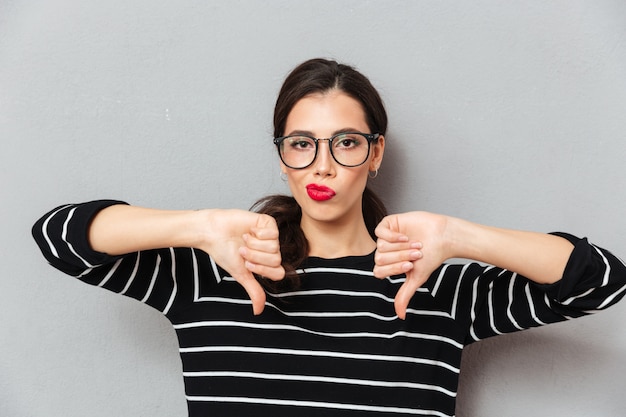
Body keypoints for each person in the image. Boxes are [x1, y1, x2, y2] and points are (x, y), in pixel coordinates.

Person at [32, 58, 626, 417]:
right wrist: (198, 225)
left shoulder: (432, 281)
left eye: (345, 142)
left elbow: (600, 282)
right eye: (301, 143)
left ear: (375, 154)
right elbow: (60, 237)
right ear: (283, 157)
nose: (322, 165)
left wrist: (457, 235)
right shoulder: (219, 270)